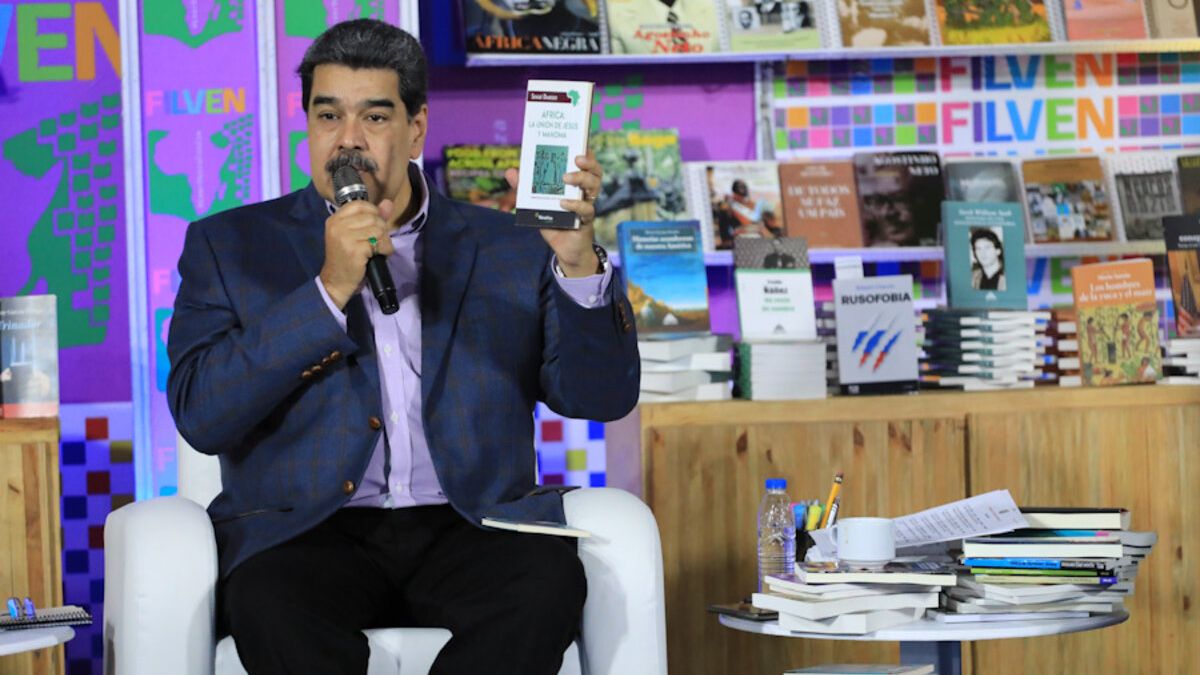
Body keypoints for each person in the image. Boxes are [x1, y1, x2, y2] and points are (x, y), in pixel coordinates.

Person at [166, 19, 639, 675]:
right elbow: (202, 413)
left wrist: (579, 265)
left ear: (416, 129)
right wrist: (329, 289)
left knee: (545, 585)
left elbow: (600, 397)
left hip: (470, 524)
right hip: (307, 532)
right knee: (268, 602)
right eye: (327, 115)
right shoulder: (230, 246)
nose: (348, 140)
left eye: (374, 116)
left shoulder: (509, 245)